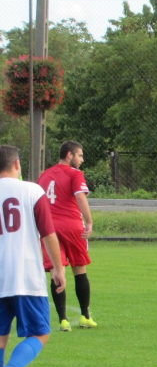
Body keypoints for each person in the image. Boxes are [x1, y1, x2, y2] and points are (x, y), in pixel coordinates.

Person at [0, 145, 67, 367]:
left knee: (1, 338)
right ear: (17, 164)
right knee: (41, 334)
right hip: (26, 275)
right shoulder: (31, 190)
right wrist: (59, 269)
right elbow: (48, 234)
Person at [37, 140, 96, 331]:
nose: (82, 160)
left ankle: (63, 320)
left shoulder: (44, 175)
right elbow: (80, 196)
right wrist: (89, 221)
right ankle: (85, 316)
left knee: (57, 270)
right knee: (80, 270)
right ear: (69, 155)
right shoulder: (75, 174)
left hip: (49, 230)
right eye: (79, 155)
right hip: (72, 227)